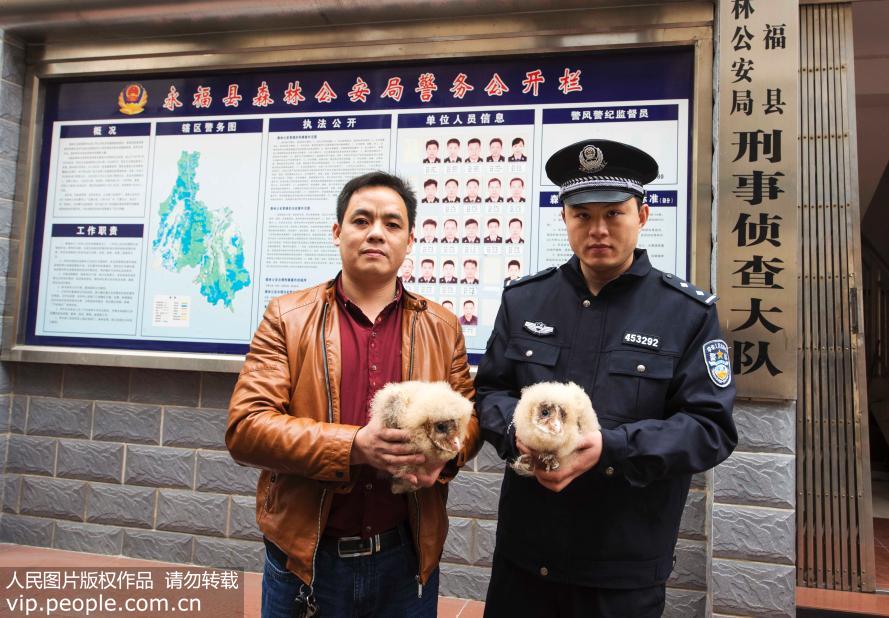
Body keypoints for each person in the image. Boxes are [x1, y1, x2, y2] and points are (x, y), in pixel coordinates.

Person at [474, 140, 737, 618]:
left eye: (614, 213)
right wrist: (515, 435)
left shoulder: (686, 314)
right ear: (564, 219)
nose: (597, 229)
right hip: (525, 558)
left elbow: (710, 428)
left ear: (643, 215)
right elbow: (490, 391)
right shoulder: (525, 302)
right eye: (582, 214)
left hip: (623, 567)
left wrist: (613, 447)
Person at [227, 171, 480, 618]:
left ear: (409, 240)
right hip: (307, 560)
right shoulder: (287, 317)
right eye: (361, 220)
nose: (376, 233)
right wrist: (354, 446)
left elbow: (470, 419)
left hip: (407, 559)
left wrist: (445, 455)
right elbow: (246, 427)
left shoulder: (442, 326)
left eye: (392, 223)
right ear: (337, 232)